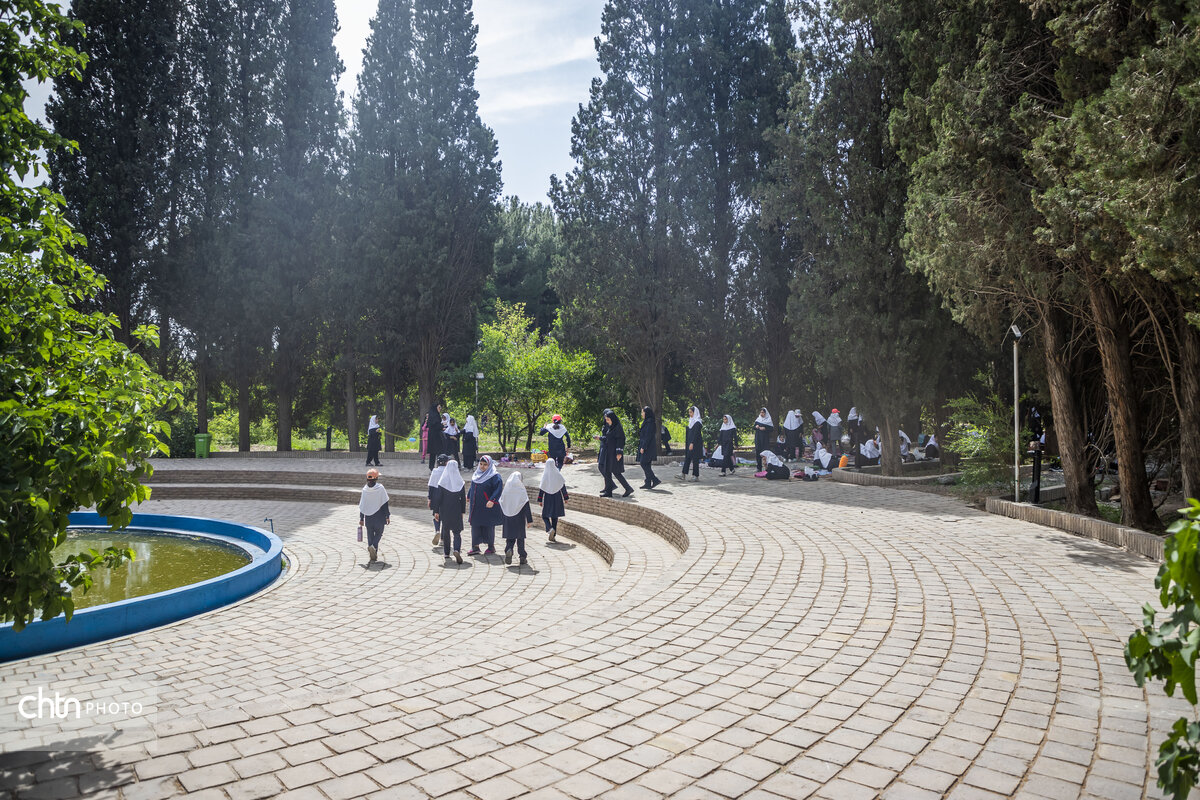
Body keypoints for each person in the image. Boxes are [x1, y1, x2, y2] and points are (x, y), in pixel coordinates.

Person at [467, 455, 504, 555]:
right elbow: (473, 486)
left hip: (488, 505)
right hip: (476, 505)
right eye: (481, 464)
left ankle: (491, 547)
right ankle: (475, 547)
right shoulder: (476, 474)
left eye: (485, 465)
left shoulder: (494, 476)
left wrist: (492, 500)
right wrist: (469, 495)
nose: (482, 466)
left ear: (490, 465)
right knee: (475, 525)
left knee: (488, 525)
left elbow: (498, 489)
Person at [433, 459, 466, 564]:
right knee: (457, 532)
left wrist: (436, 511)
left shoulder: (442, 482)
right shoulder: (460, 482)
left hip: (445, 510)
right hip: (456, 510)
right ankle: (456, 550)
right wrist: (462, 511)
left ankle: (446, 553)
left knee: (446, 531)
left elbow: (438, 498)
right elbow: (463, 499)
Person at [500, 471, 534, 566]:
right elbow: (526, 506)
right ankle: (522, 556)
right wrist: (529, 520)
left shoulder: (506, 490)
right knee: (520, 538)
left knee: (510, 538)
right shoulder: (521, 490)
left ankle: (509, 549)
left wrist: (502, 518)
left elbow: (501, 503)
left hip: (508, 517)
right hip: (519, 518)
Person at [598, 409, 634, 497]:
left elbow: (620, 440)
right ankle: (608, 491)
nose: (607, 421)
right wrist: (600, 438)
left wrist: (619, 452)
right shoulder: (610, 427)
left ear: (612, 419)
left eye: (608, 419)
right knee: (607, 471)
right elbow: (608, 438)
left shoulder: (617, 428)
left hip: (614, 453)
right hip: (608, 452)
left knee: (616, 472)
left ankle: (628, 488)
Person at [358, 468, 390, 564]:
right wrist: (387, 516)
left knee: (370, 534)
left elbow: (362, 505)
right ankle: (374, 546)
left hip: (368, 517)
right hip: (379, 516)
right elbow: (385, 503)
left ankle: (372, 553)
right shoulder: (380, 488)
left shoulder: (365, 489)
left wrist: (361, 518)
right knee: (379, 533)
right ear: (376, 478)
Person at [539, 460, 569, 540]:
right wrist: (566, 498)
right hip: (557, 497)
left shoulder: (545, 475)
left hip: (548, 498)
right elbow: (563, 486)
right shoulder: (557, 474)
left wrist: (540, 500)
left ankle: (550, 529)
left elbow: (542, 488)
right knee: (555, 517)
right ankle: (553, 535)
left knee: (544, 515)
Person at [637, 406, 661, 489]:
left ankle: (655, 479)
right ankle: (648, 483)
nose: (641, 414)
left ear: (646, 413)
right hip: (646, 445)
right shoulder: (647, 421)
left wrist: (643, 447)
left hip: (648, 447)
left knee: (643, 463)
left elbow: (648, 436)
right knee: (647, 464)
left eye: (642, 412)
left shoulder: (650, 422)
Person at [428, 454, 448, 546]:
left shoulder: (435, 471)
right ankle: (442, 539)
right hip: (446, 495)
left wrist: (429, 498)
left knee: (436, 514)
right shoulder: (448, 471)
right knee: (444, 518)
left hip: (435, 494)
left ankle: (437, 530)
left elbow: (431, 486)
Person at [679, 406, 703, 481]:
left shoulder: (698, 423)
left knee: (695, 459)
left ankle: (695, 476)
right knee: (688, 458)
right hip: (690, 443)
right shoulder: (691, 421)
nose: (690, 414)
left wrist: (692, 443)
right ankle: (683, 474)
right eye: (689, 412)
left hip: (695, 443)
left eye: (691, 412)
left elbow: (696, 434)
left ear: (695, 412)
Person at [424, 403, 444, 472]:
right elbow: (436, 425)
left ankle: (433, 467)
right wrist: (442, 426)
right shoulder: (435, 416)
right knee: (437, 452)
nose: (440, 409)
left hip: (434, 436)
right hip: (435, 436)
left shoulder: (434, 415)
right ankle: (436, 467)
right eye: (439, 407)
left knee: (435, 452)